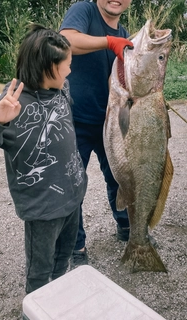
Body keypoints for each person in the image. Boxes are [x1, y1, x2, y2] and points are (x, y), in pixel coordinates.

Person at [0, 24, 87, 294]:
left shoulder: (62, 87)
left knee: (63, 258)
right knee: (40, 268)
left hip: (73, 195)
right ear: (47, 67)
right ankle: (35, 307)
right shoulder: (10, 103)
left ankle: (56, 296)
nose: (70, 70)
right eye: (66, 65)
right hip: (42, 209)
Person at [59, 0, 134, 268]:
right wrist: (109, 42)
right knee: (71, 186)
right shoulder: (84, 11)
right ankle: (75, 247)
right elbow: (65, 41)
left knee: (120, 177)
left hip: (109, 122)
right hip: (72, 120)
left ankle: (127, 228)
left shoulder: (124, 33)